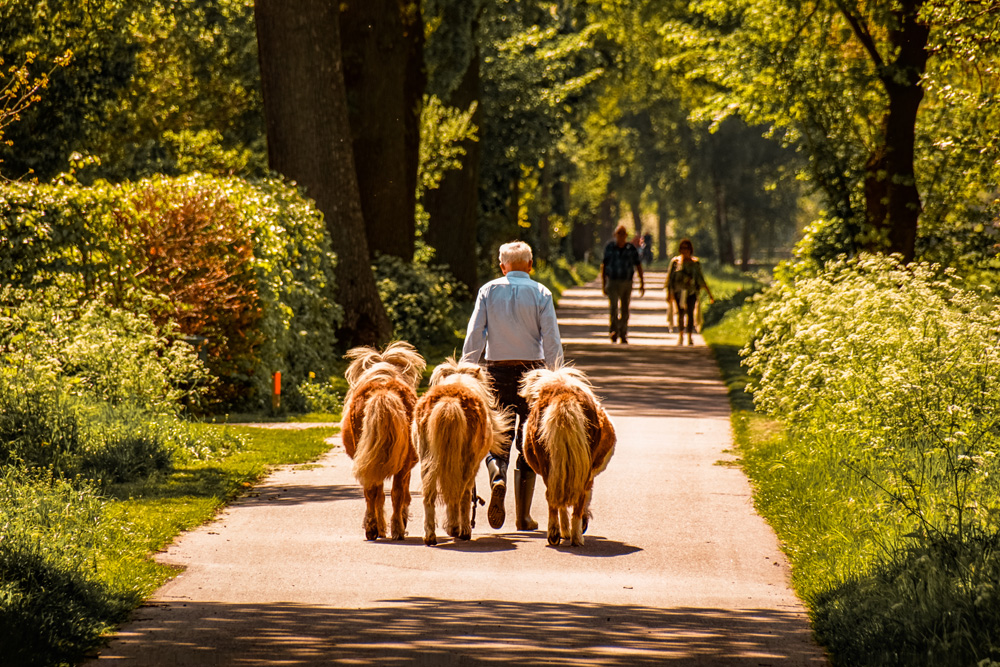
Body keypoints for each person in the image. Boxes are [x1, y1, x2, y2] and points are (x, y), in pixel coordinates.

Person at [462, 241, 564, 532]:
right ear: (530, 265)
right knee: (529, 440)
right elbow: (551, 338)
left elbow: (475, 333)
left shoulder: (488, 290)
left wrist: (467, 368)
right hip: (532, 374)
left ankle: (497, 476)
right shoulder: (541, 292)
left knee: (497, 436)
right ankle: (523, 517)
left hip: (496, 372)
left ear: (502, 265)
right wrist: (556, 376)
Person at [665, 238, 714, 345]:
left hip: (691, 292)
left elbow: (700, 279)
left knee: (691, 314)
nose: (684, 250)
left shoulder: (695, 263)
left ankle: (690, 336)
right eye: (682, 248)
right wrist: (669, 293)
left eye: (686, 248)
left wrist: (709, 294)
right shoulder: (675, 262)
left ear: (690, 249)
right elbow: (670, 279)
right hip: (679, 292)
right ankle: (681, 334)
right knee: (681, 313)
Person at [600, 224, 645, 344]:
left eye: (623, 234)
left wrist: (642, 282)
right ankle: (614, 330)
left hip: (627, 282)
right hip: (613, 281)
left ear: (626, 235)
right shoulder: (609, 247)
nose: (621, 236)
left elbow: (638, 265)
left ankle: (623, 332)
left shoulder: (631, 249)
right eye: (618, 234)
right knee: (613, 307)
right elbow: (604, 265)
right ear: (615, 235)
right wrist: (604, 282)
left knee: (625, 308)